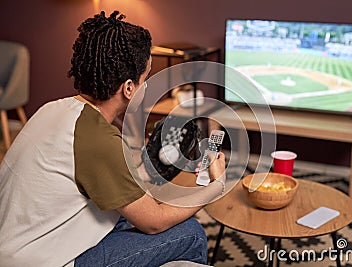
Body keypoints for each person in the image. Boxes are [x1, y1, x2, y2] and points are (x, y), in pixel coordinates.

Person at [0, 11, 226, 267]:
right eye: (146, 78)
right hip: (41, 261)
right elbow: (154, 222)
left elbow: (91, 171)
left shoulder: (52, 109)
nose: (148, 86)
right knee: (192, 234)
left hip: (12, 245)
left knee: (120, 215)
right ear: (129, 88)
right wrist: (214, 187)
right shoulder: (99, 140)